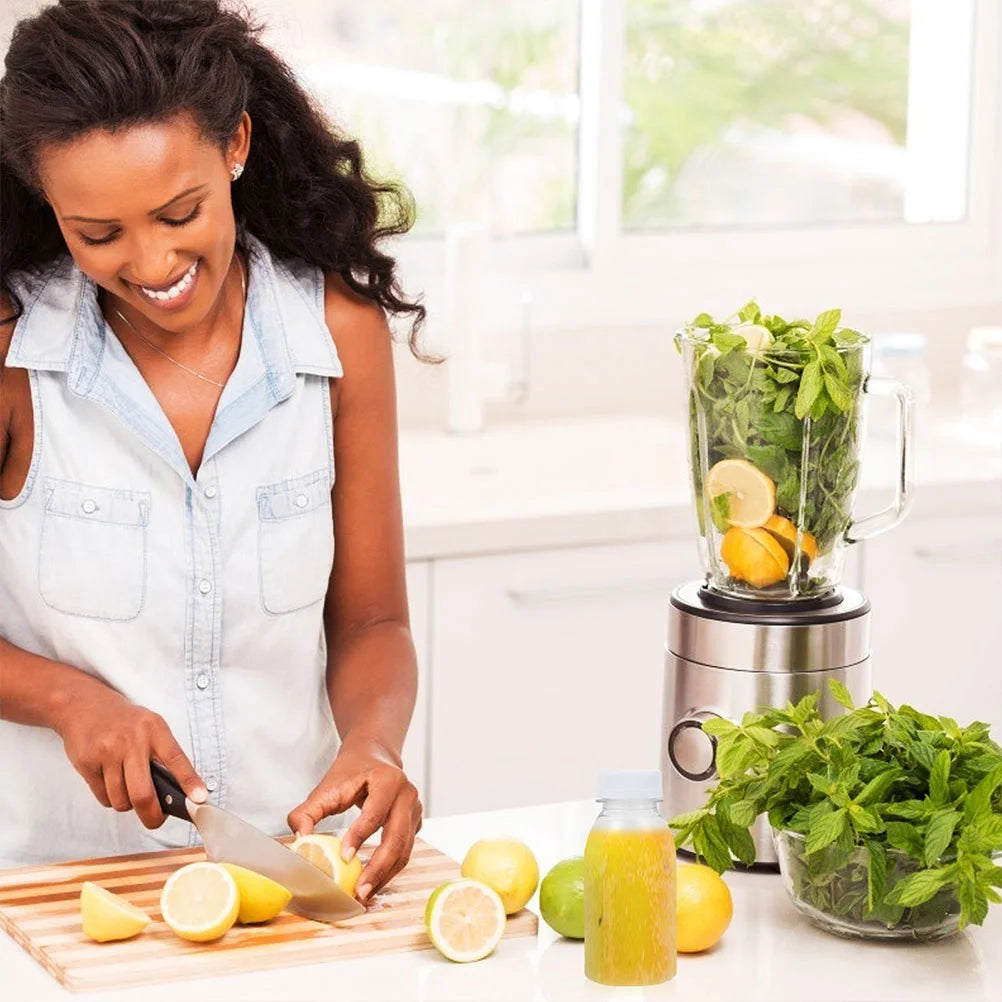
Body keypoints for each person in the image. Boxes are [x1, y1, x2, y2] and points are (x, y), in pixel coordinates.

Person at [0, 0, 427, 904]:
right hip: (52, 893)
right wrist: (68, 700)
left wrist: (374, 744)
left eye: (179, 211)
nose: (151, 264)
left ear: (235, 145)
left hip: (289, 874)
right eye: (98, 234)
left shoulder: (336, 334)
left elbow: (372, 624)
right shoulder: (9, 353)